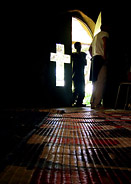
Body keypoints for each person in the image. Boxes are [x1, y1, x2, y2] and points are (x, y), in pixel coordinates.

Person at [89, 24, 109, 109]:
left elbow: (89, 49)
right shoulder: (105, 34)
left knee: (95, 81)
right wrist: (104, 55)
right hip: (100, 58)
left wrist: (92, 56)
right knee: (101, 81)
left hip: (94, 59)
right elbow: (105, 42)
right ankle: (97, 103)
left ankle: (92, 102)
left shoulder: (95, 36)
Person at [72, 42, 87, 106]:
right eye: (78, 46)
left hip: (81, 73)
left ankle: (79, 102)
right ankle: (73, 100)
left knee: (82, 88)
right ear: (75, 47)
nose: (79, 47)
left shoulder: (83, 54)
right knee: (76, 88)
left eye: (80, 46)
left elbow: (85, 63)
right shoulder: (74, 55)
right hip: (76, 73)